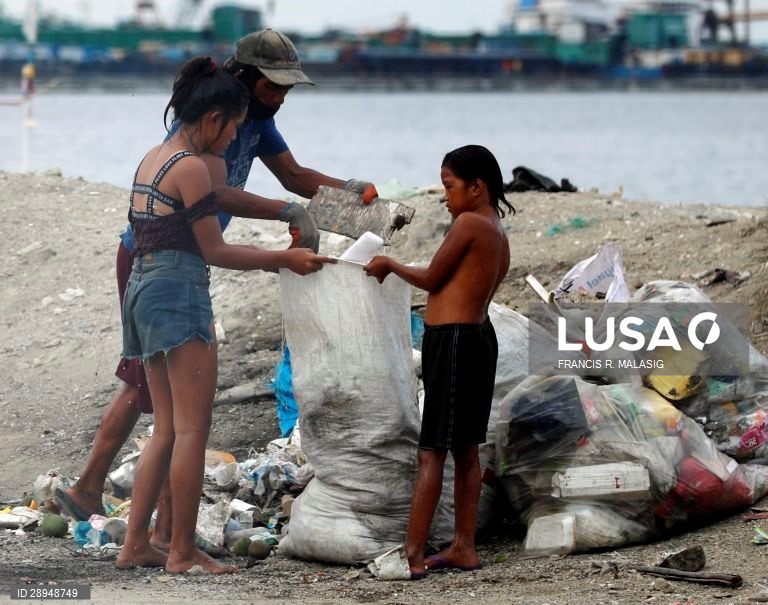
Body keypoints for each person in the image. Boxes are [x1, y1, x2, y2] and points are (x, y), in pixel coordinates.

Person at [55, 28, 378, 533]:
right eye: (274, 87)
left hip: (179, 260)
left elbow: (292, 174)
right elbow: (218, 198)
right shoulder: (207, 127)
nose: (280, 98)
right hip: (157, 260)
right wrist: (284, 228)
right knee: (162, 404)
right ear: (243, 80)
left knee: (151, 393)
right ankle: (148, 524)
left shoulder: (250, 116)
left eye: (287, 89)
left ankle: (118, 508)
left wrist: (352, 192)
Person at [114, 57, 334, 574]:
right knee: (192, 430)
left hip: (142, 291)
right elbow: (214, 249)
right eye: (235, 126)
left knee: (166, 429)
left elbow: (218, 197)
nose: (237, 136)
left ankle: (135, 546)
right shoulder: (192, 165)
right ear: (213, 119)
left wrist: (287, 210)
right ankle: (184, 552)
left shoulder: (157, 157)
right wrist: (284, 259)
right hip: (178, 293)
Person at [364, 145, 513, 579]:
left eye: (449, 186)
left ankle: (410, 555)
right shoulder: (495, 227)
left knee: (431, 452)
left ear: (476, 187)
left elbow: (431, 278)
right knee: (466, 449)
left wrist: (389, 263)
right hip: (478, 338)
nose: (444, 196)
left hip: (453, 342)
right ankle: (463, 546)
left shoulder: (469, 223)